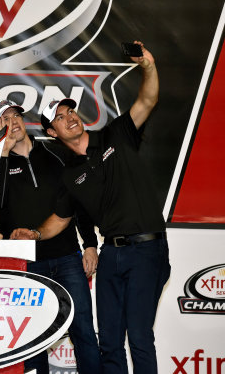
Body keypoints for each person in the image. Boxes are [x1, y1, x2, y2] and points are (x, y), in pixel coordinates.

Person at [21, 42, 170, 374]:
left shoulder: (116, 134)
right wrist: (32, 233)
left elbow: (148, 100)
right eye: (59, 117)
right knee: (109, 343)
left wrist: (148, 66)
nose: (69, 117)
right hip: (111, 255)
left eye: (70, 111)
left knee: (140, 338)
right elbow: (59, 220)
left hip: (147, 247)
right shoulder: (70, 175)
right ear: (51, 131)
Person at [0, 99, 101, 374]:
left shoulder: (57, 154)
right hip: (25, 265)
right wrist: (2, 154)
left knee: (84, 330)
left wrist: (89, 244)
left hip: (66, 257)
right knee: (33, 339)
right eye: (5, 119)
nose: (13, 122)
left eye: (16, 116)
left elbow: (79, 203)